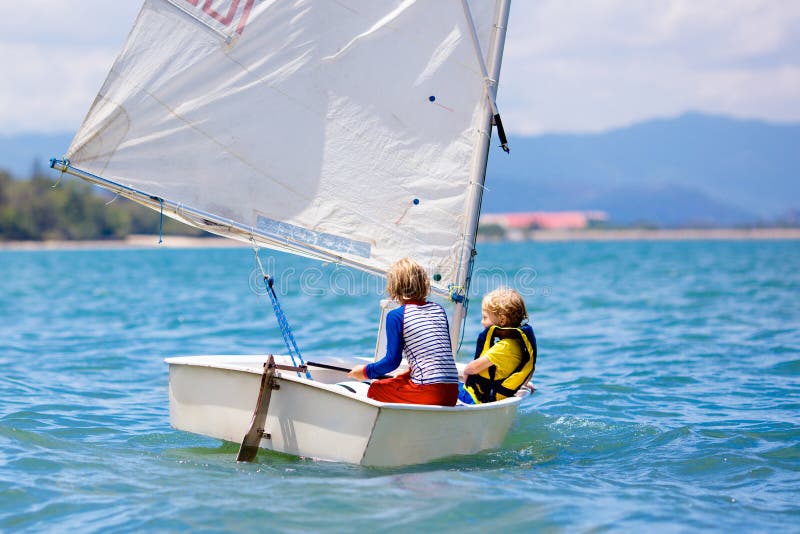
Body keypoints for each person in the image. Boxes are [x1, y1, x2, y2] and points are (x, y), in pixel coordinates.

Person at [348, 258, 459, 406]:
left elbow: (392, 361)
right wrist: (407, 374)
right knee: (399, 379)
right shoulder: (438, 310)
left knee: (375, 390)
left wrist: (364, 372)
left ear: (394, 287)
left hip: (429, 392)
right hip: (451, 393)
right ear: (423, 283)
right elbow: (435, 355)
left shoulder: (396, 316)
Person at [458, 288, 537, 404]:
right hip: (492, 395)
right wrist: (523, 384)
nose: (482, 322)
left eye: (485, 317)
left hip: (474, 398)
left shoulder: (504, 347)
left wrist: (466, 374)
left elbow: (473, 368)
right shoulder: (517, 345)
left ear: (502, 320)